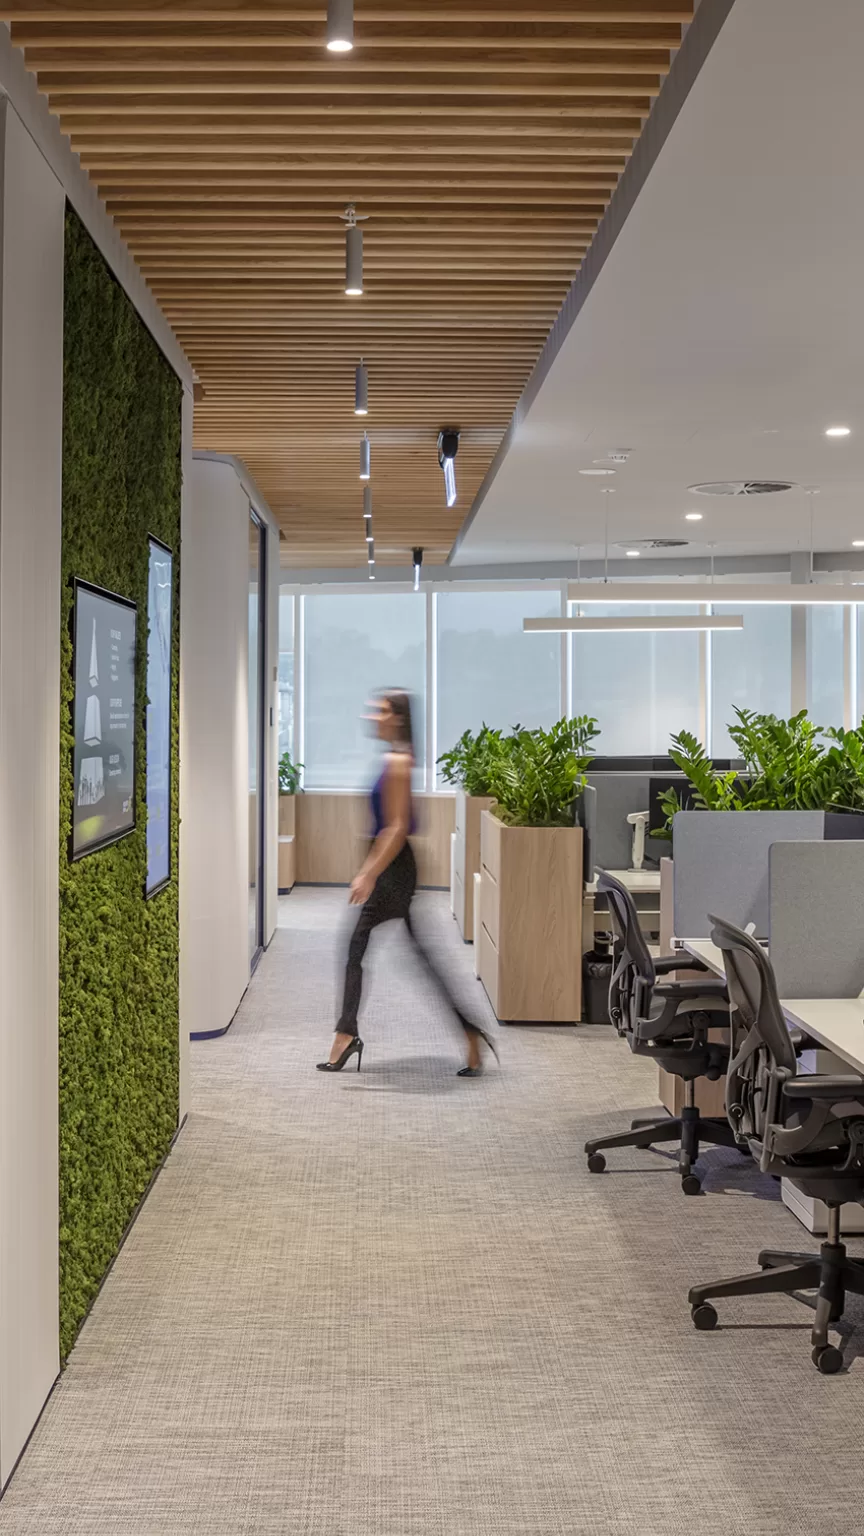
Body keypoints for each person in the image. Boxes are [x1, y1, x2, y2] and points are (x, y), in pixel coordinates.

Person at [317, 688, 498, 1078]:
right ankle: (470, 1033)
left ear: (397, 718)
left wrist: (368, 873)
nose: (372, 716)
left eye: (380, 710)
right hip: (392, 865)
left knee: (357, 948)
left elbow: (397, 827)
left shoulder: (398, 761)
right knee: (417, 957)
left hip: (394, 869)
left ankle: (346, 1034)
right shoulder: (397, 757)